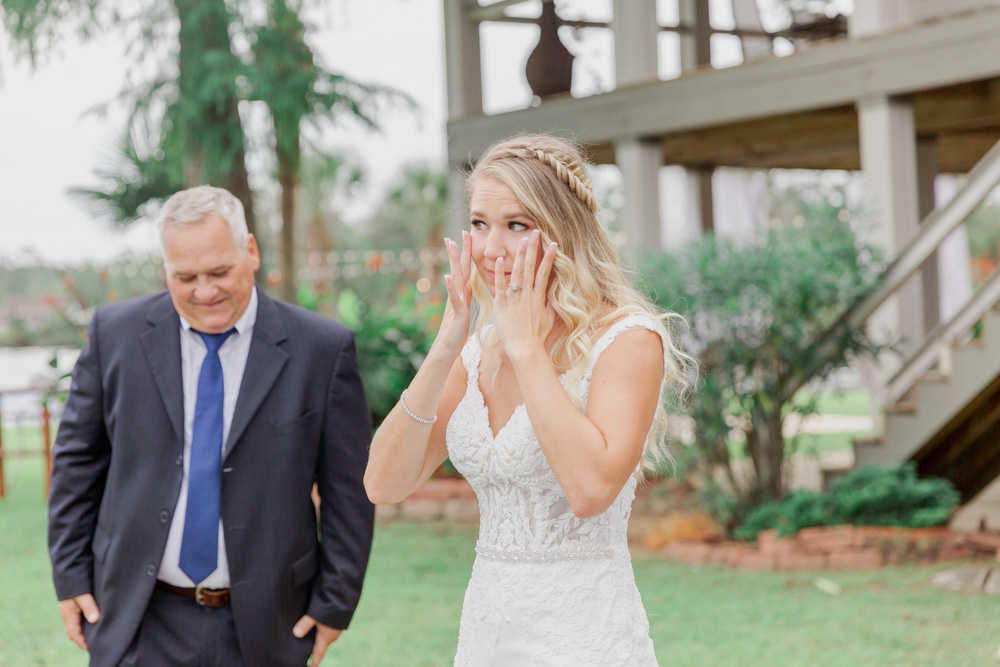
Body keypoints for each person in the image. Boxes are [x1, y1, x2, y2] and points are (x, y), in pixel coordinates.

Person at [365, 134, 690, 665]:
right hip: (485, 639)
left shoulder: (626, 339)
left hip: (585, 640)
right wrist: (446, 348)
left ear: (564, 230)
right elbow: (383, 483)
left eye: (517, 225)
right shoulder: (476, 352)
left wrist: (527, 350)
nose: (492, 250)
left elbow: (590, 490)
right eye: (479, 224)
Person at [48, 185, 374, 666]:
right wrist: (71, 578)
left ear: (252, 251)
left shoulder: (322, 350)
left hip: (267, 625)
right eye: (186, 277)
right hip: (137, 618)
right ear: (166, 271)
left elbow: (349, 492)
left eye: (220, 271)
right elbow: (77, 464)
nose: (205, 291)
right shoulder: (112, 335)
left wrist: (335, 603)